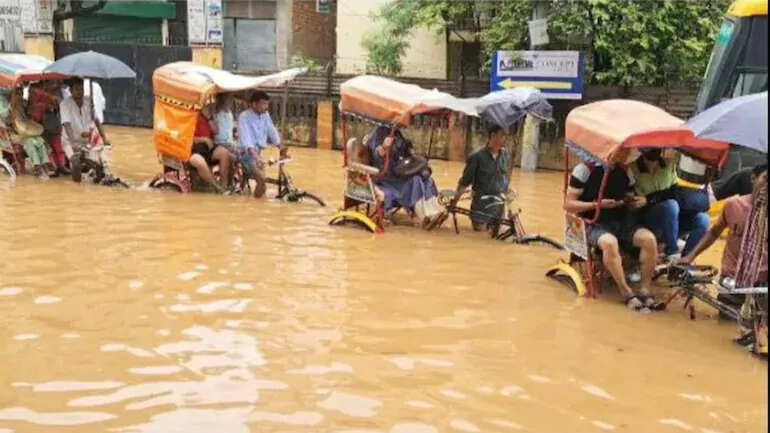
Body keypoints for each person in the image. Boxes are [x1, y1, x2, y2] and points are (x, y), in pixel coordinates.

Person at [564, 161, 660, 312]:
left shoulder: (625, 170)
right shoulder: (584, 170)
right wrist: (597, 205)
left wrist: (636, 202)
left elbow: (629, 197)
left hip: (622, 223)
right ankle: (626, 292)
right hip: (593, 223)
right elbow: (568, 205)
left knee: (649, 240)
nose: (626, 154)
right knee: (610, 242)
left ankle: (644, 290)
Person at [681, 164, 767, 285]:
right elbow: (714, 232)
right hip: (732, 277)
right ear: (753, 178)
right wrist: (690, 256)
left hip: (763, 282)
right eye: (766, 179)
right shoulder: (733, 205)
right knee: (727, 304)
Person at [631, 149, 709, 262]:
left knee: (703, 219)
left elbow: (675, 190)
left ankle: (685, 259)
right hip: (648, 217)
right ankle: (672, 251)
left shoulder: (668, 165)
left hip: (672, 218)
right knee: (670, 205)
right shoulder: (632, 168)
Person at [365, 125, 444, 228]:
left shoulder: (397, 134)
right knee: (415, 181)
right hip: (385, 178)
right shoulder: (379, 132)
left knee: (427, 180)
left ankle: (432, 211)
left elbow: (405, 155)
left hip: (398, 173)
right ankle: (422, 216)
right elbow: (377, 154)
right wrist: (384, 148)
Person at [449, 124, 510, 231]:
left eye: (506, 136)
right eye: (502, 135)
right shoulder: (477, 157)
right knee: (480, 239)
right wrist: (454, 202)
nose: (505, 139)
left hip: (498, 209)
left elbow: (504, 180)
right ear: (493, 135)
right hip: (481, 208)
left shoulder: (505, 155)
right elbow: (464, 182)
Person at [59, 78, 111, 182]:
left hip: (87, 139)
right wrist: (73, 143)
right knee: (76, 162)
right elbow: (66, 124)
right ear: (71, 91)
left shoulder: (88, 101)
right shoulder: (64, 104)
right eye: (77, 89)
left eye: (81, 89)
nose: (80, 92)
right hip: (70, 140)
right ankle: (76, 188)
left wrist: (104, 138)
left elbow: (96, 120)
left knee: (98, 166)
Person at [237, 91, 287, 198]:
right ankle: (254, 207)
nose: (266, 107)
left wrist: (280, 146)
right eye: (263, 104)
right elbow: (247, 141)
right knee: (261, 180)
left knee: (263, 187)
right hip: (246, 155)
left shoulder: (265, 115)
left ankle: (256, 204)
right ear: (254, 104)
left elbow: (271, 131)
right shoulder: (244, 117)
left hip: (259, 154)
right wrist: (256, 157)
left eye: (267, 104)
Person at [190, 101, 232, 194]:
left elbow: (216, 131)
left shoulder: (210, 117)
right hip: (194, 150)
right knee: (199, 162)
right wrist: (203, 139)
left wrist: (209, 118)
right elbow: (186, 137)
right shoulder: (191, 115)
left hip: (209, 149)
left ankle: (223, 185)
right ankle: (216, 186)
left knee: (224, 153)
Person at [9, 87, 51, 179]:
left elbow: (29, 116)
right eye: (17, 93)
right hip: (14, 134)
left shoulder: (23, 104)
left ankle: (44, 164)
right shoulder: (7, 105)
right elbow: (7, 120)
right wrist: (12, 106)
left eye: (20, 93)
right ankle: (37, 166)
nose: (19, 95)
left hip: (27, 132)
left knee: (39, 140)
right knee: (30, 142)